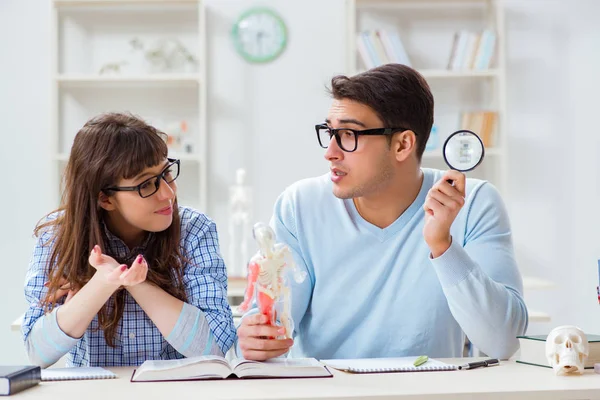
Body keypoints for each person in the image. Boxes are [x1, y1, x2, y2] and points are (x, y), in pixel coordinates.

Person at [237, 63, 528, 361]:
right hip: (327, 393)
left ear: (403, 144)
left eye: (349, 134)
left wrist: (442, 245)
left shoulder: (473, 203)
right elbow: (273, 325)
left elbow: (504, 341)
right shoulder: (299, 205)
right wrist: (255, 338)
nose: (330, 152)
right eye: (330, 132)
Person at [22, 113, 235, 367]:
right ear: (105, 199)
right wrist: (102, 283)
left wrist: (135, 283)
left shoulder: (194, 230)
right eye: (146, 185)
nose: (168, 193)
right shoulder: (58, 238)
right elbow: (37, 353)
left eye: (166, 173)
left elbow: (216, 347)